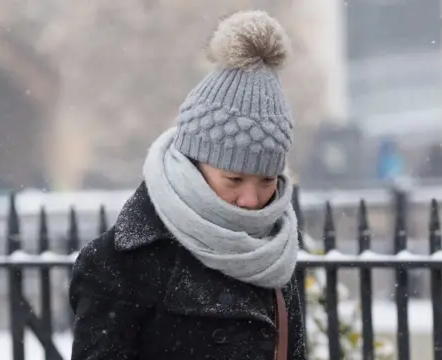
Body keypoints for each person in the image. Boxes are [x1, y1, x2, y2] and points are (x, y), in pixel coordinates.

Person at [69, 9, 306, 360]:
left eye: (267, 180)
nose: (250, 199)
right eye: (234, 179)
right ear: (192, 163)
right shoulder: (121, 264)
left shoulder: (273, 255)